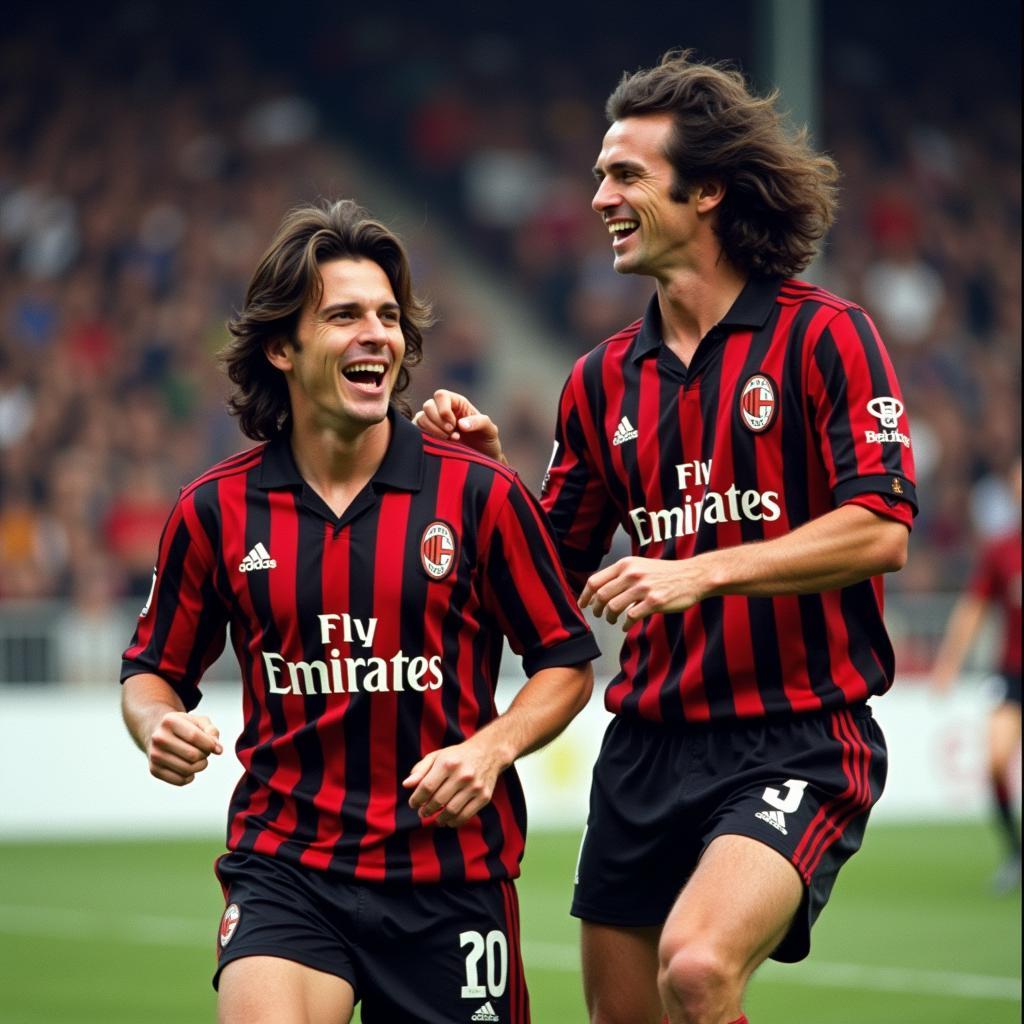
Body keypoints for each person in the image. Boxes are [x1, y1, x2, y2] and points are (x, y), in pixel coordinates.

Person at [415, 51, 917, 1024]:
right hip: (645, 746)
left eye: (625, 175)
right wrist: (487, 479)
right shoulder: (601, 381)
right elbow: (545, 566)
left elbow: (879, 529)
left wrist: (701, 573)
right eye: (600, 174)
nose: (597, 196)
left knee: (695, 969)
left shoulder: (826, 335)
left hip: (796, 735)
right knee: (621, 1017)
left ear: (707, 193)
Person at [119, 199, 598, 1024]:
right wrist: (153, 724)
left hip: (449, 880)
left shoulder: (478, 491)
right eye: (344, 315)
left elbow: (564, 662)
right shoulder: (215, 510)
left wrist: (492, 748)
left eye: (387, 315)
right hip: (287, 866)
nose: (376, 332)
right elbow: (152, 672)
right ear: (282, 346)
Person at [931, 458, 1022, 894]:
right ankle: (1015, 854)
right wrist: (949, 662)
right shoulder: (1001, 549)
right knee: (996, 761)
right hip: (1012, 674)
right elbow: (973, 609)